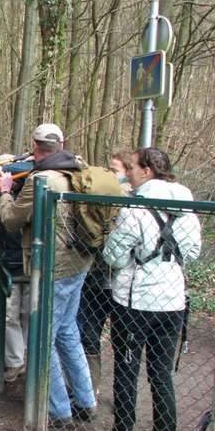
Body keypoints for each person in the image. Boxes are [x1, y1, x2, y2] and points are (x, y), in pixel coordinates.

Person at [0, 124, 96, 428]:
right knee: (68, 332)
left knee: (43, 340)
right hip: (80, 262)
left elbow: (13, 219)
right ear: (61, 144)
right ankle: (86, 401)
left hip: (55, 267)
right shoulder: (77, 170)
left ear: (36, 147)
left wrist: (5, 192)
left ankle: (59, 411)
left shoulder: (42, 179)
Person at [93, 147, 202, 431]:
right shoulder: (189, 205)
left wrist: (136, 258)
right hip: (173, 304)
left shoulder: (135, 205)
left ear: (147, 171)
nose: (131, 172)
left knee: (127, 373)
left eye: (135, 168)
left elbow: (113, 256)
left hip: (135, 302)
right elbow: (192, 251)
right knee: (161, 377)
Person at [77, 150, 132, 395]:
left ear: (129, 174)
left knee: (123, 342)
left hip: (121, 282)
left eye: (116, 170)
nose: (110, 175)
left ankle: (113, 393)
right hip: (97, 277)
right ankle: (89, 391)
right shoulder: (101, 196)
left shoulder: (131, 203)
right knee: (88, 336)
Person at [0, 154, 33, 383]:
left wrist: (5, 168)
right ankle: (15, 361)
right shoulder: (3, 194)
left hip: (29, 261)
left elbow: (26, 166)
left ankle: (26, 354)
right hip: (10, 259)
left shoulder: (31, 188)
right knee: (10, 314)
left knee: (28, 312)